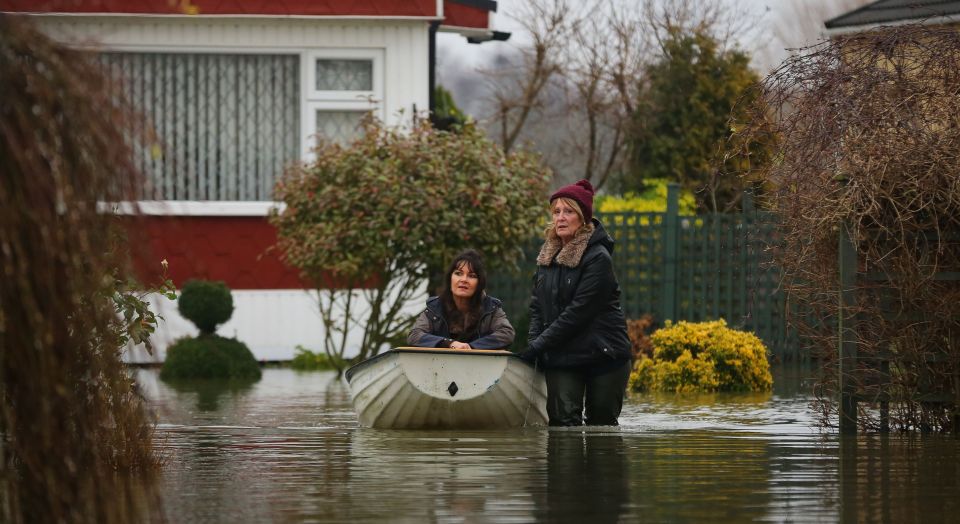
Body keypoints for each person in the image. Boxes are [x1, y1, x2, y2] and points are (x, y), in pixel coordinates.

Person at [523, 179, 632, 426]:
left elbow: (577, 314)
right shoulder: (545, 257)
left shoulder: (598, 258)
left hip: (605, 355)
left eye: (568, 211)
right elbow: (537, 307)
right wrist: (533, 344)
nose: (560, 217)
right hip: (562, 355)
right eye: (556, 211)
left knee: (601, 426)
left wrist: (538, 346)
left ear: (582, 218)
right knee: (562, 425)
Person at [408, 249, 515, 350]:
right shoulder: (436, 306)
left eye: (471, 276)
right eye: (458, 273)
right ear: (450, 278)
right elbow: (415, 335)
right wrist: (449, 344)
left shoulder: (491, 307)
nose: (463, 280)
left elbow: (506, 334)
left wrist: (471, 347)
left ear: (480, 283)